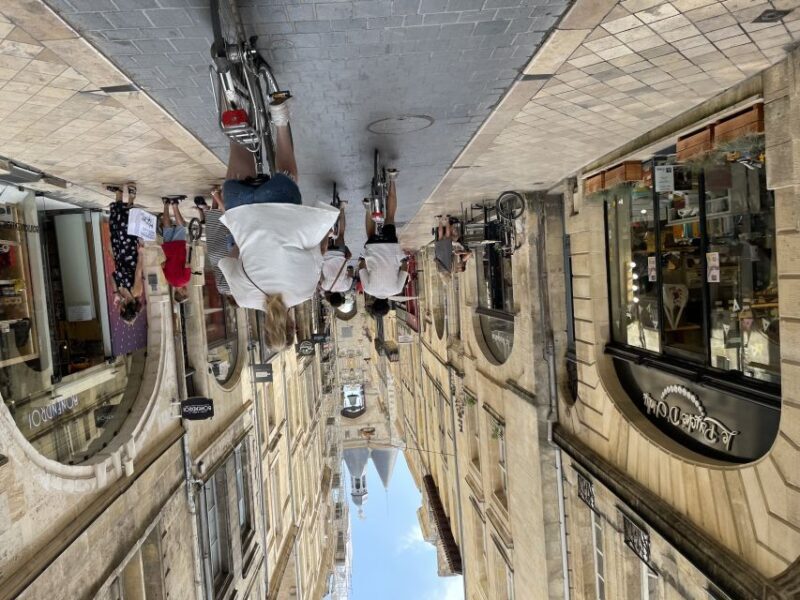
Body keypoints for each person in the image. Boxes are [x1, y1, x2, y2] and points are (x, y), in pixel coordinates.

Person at [217, 99, 339, 351]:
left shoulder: (305, 291)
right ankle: (230, 95)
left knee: (288, 172)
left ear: (293, 326)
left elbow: (314, 249)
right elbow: (228, 257)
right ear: (263, 328)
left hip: (279, 200)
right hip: (240, 205)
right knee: (236, 141)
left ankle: (280, 121)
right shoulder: (243, 298)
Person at [359, 169, 407, 311]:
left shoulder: (396, 289)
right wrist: (363, 260)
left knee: (390, 216)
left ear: (387, 303)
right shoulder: (368, 290)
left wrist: (402, 260)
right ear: (373, 302)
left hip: (391, 247)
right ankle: (368, 208)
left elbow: (404, 268)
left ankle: (392, 179)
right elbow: (362, 268)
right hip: (373, 248)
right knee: (370, 236)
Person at [106, 182, 145, 324]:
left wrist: (116, 292)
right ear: (125, 310)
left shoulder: (121, 294)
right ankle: (131, 197)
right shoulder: (136, 292)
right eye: (120, 311)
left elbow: (112, 276)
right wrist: (140, 252)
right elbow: (138, 272)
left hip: (118, 254)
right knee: (126, 224)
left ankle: (118, 193)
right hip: (129, 252)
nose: (118, 309)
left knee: (115, 225)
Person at [195, 190, 232, 296]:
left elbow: (230, 271)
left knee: (225, 220)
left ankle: (216, 195)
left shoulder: (230, 288)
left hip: (224, 254)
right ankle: (215, 195)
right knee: (213, 225)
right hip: (214, 257)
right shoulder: (221, 289)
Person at [321, 192, 353, 308]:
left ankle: (342, 207)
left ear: (341, 296)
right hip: (326, 254)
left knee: (341, 234)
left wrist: (348, 269)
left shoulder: (346, 287)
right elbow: (320, 273)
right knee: (326, 235)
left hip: (340, 254)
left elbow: (350, 272)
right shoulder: (325, 286)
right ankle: (327, 217)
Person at [159, 196, 192, 302]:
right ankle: (165, 204)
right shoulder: (169, 280)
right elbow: (162, 265)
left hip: (179, 248)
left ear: (181, 293)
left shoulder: (185, 280)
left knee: (181, 226)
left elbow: (187, 265)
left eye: (186, 293)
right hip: (168, 250)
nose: (187, 291)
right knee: (167, 228)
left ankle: (174, 205)